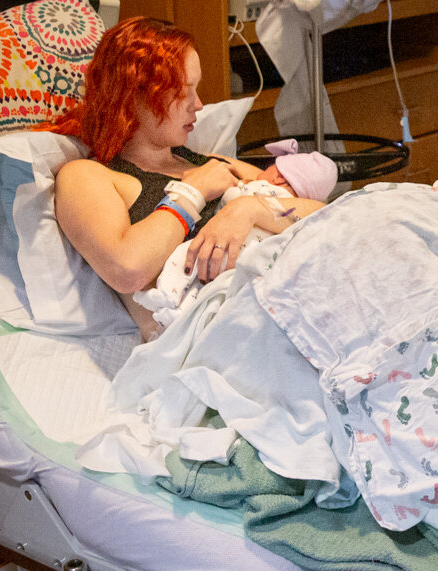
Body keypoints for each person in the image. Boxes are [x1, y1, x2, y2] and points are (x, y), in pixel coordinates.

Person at [47, 18, 328, 334]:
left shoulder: (214, 163)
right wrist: (189, 196)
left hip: (300, 287)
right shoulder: (88, 177)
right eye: (183, 92)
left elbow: (324, 215)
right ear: (133, 95)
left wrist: (247, 210)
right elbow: (126, 268)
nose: (198, 105)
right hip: (226, 326)